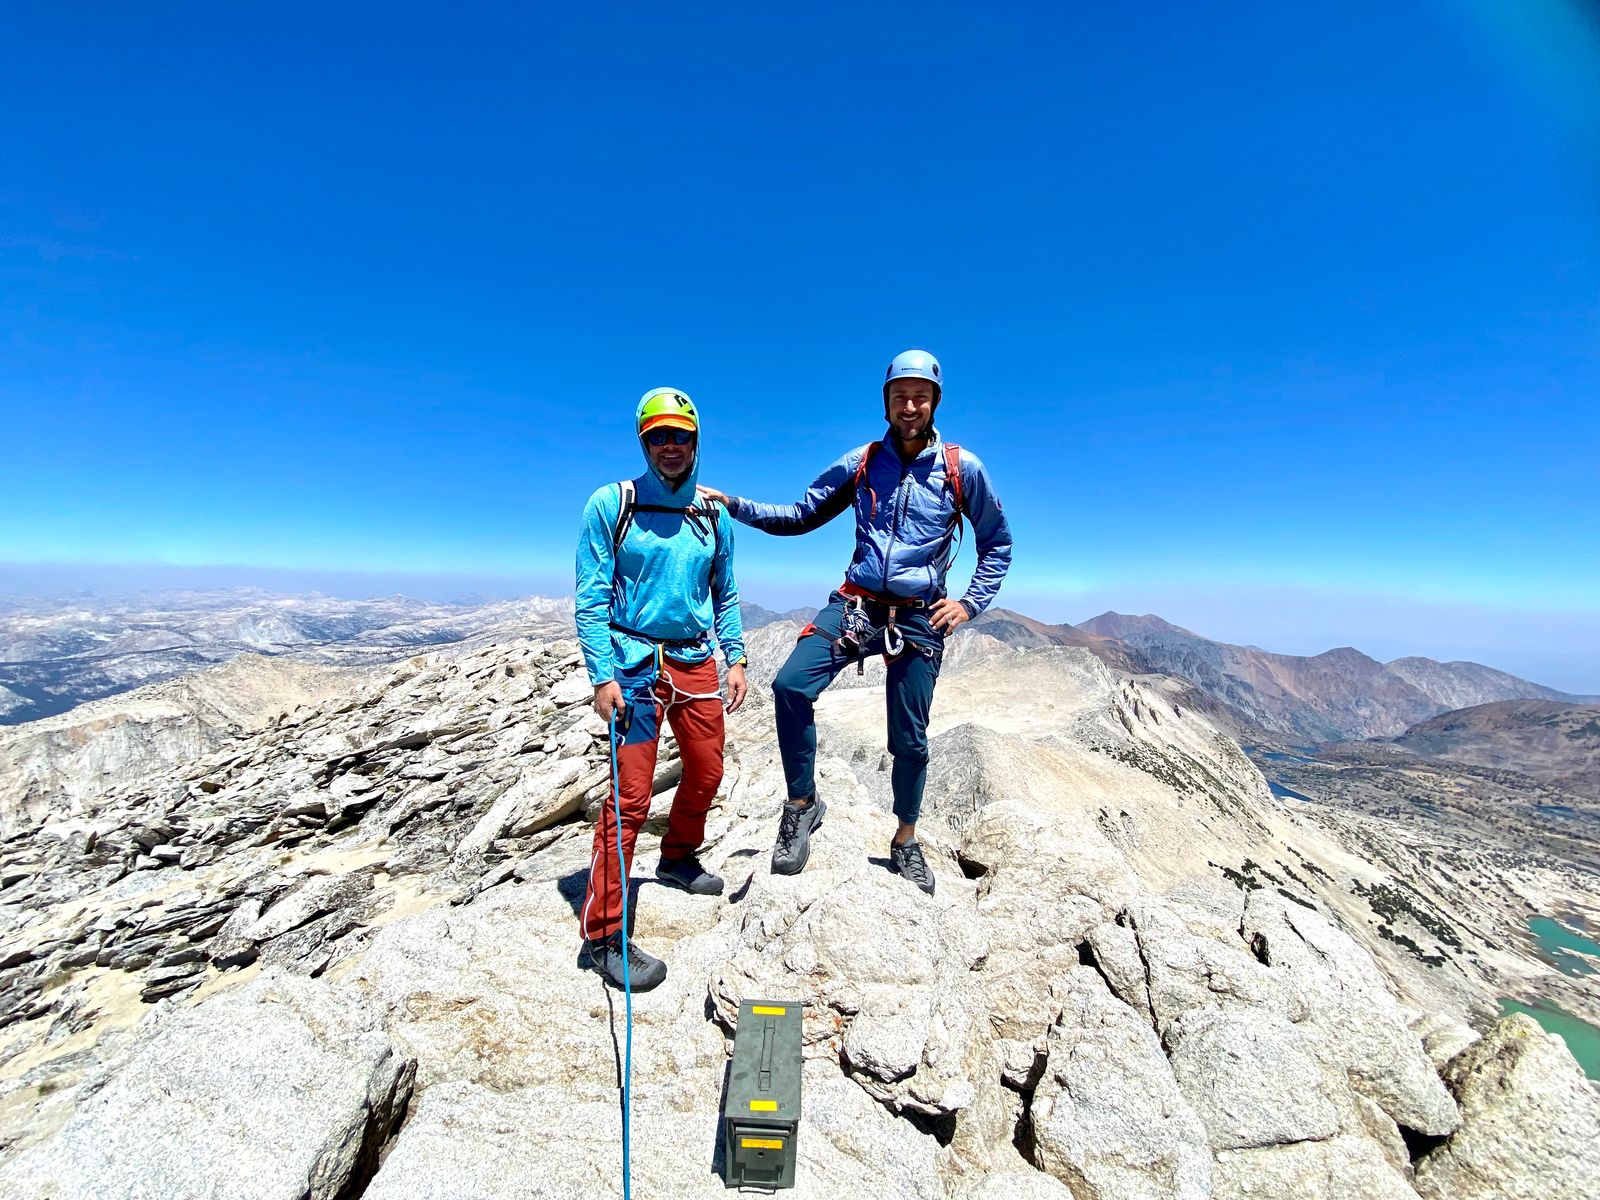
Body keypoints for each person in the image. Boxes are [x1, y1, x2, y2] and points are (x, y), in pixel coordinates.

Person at [698, 350, 1011, 896]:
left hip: (919, 616)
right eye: (899, 397)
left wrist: (968, 604)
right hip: (857, 605)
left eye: (920, 397)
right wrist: (735, 505)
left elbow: (997, 543)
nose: (909, 406)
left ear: (935, 402)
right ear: (886, 403)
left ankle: (905, 839)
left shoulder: (963, 470)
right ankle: (802, 804)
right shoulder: (863, 461)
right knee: (790, 685)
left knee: (908, 740)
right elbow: (801, 514)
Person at [574, 387, 748, 991]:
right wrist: (602, 675)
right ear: (643, 442)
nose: (670, 447)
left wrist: (736, 657)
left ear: (696, 443)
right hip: (634, 667)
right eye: (658, 437)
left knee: (707, 771)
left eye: (681, 436)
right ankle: (603, 936)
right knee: (629, 799)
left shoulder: (713, 513)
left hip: (695, 660)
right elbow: (591, 595)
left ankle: (677, 856)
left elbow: (725, 591)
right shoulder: (613, 503)